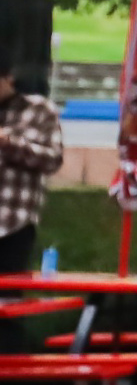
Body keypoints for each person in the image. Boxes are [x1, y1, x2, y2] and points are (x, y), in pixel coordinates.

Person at [0, 57, 64, 275]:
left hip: (12, 222)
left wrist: (9, 143)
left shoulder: (39, 110)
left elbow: (52, 159)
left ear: (9, 77)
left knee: (7, 300)